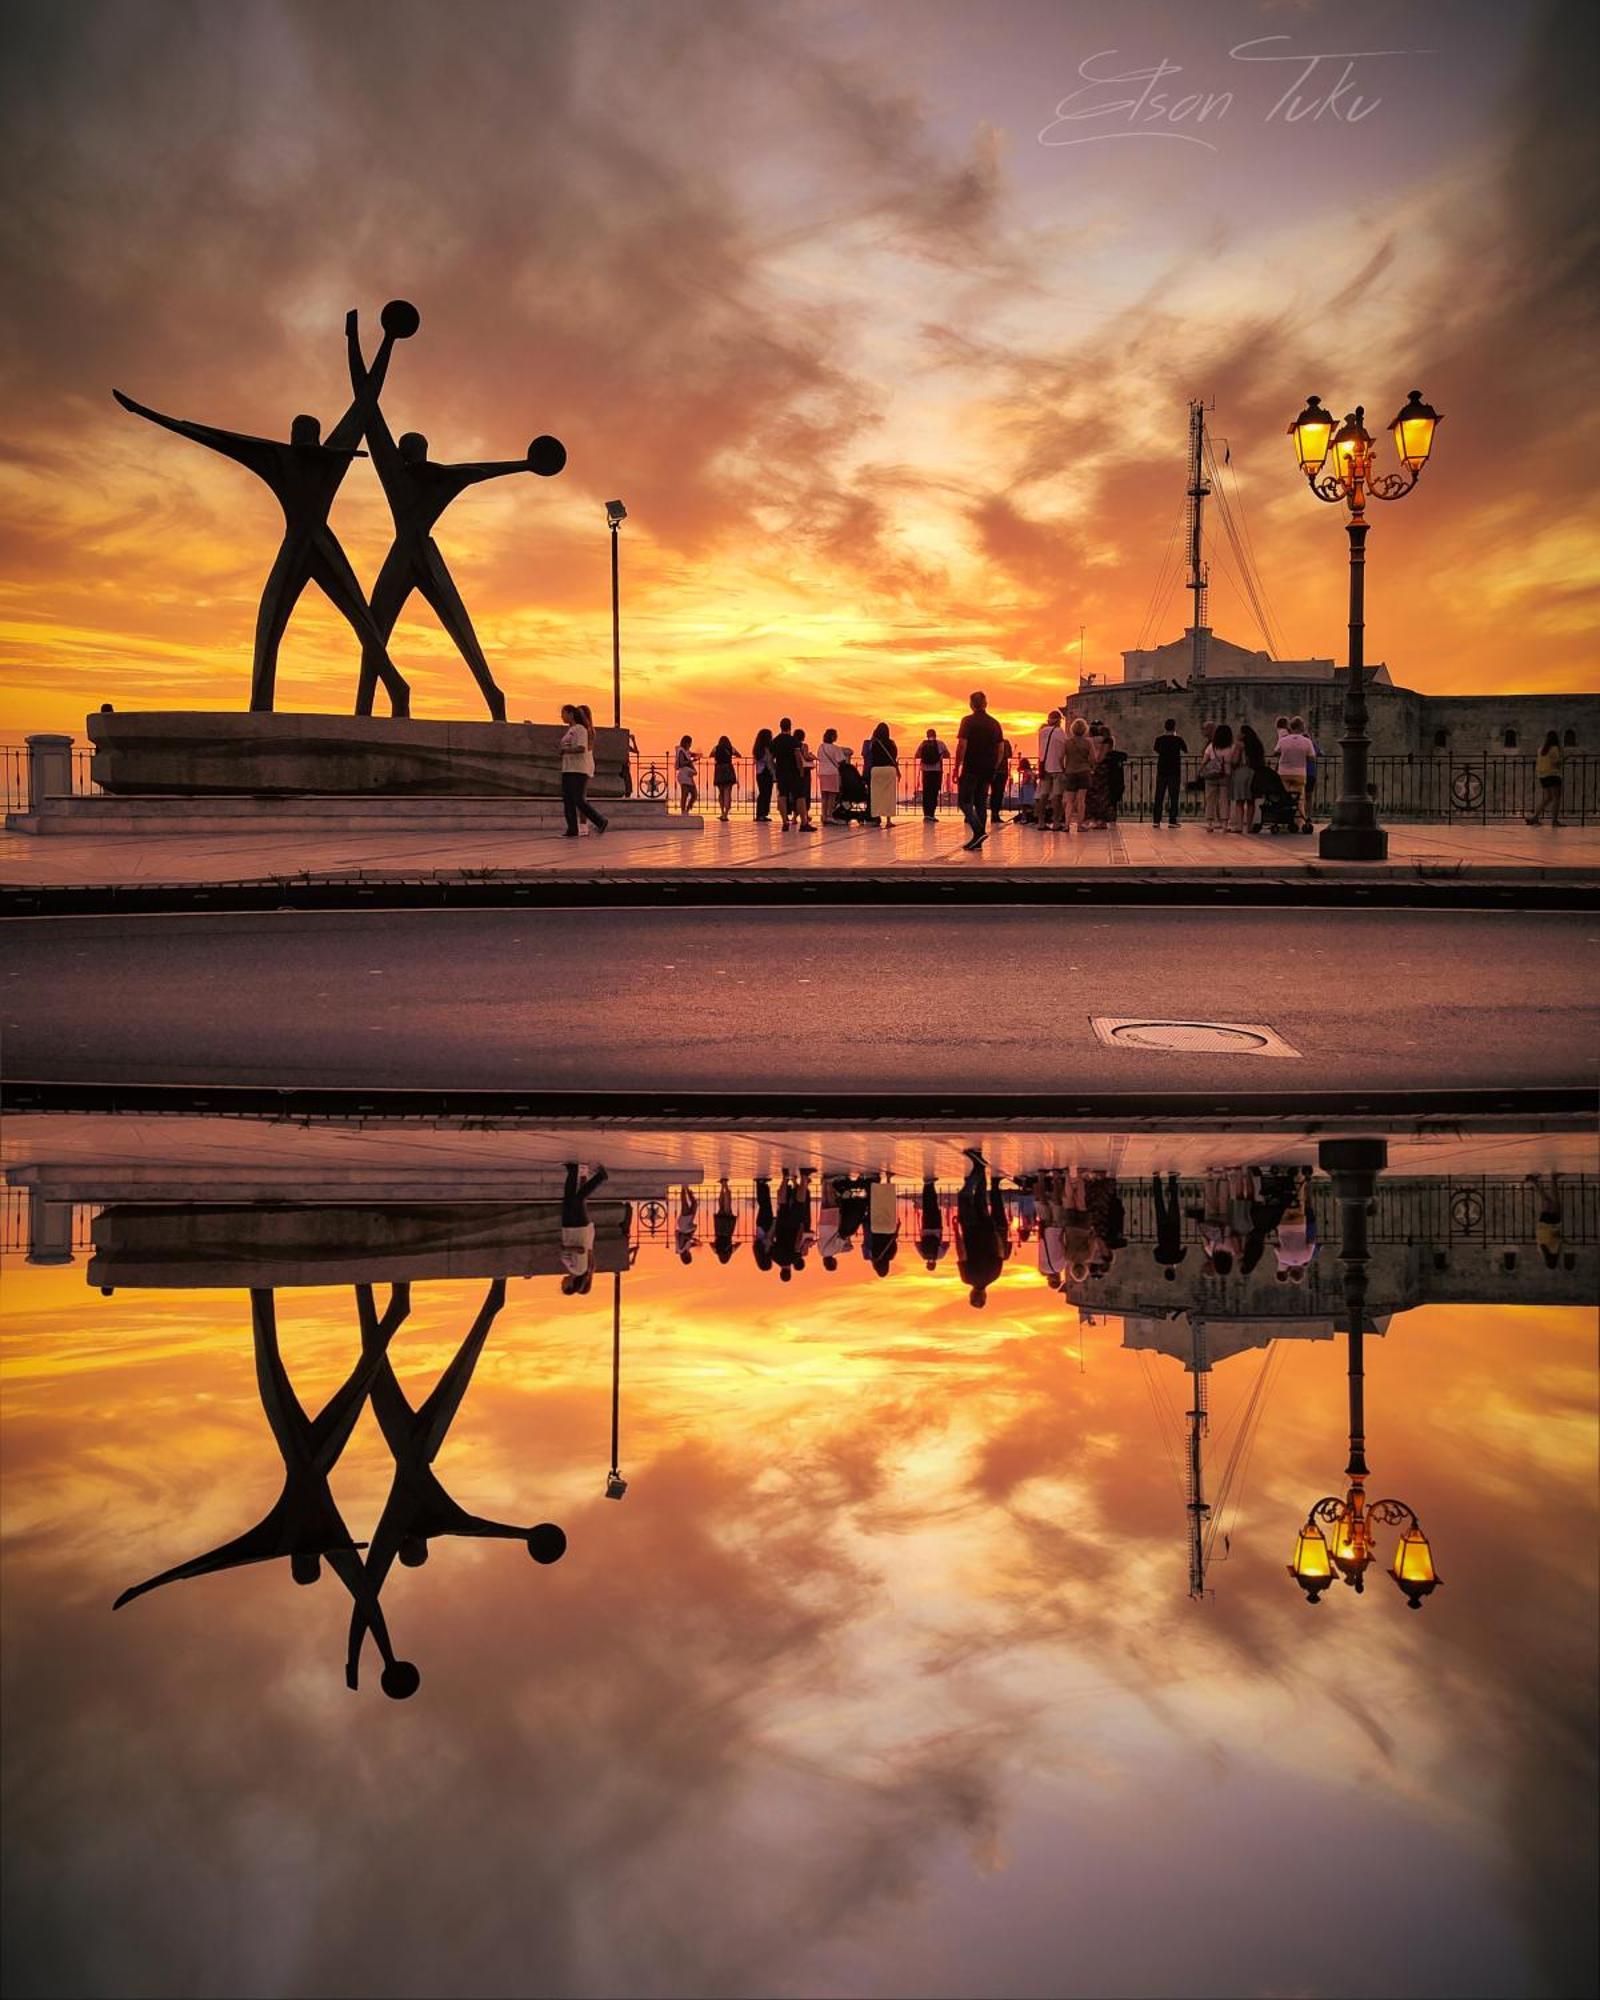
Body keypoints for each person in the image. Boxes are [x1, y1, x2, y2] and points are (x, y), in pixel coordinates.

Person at [954, 692, 1005, 850]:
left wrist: (957, 766)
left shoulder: (967, 721)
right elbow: (1001, 749)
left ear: (971, 704)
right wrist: (994, 766)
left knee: (963, 801)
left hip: (971, 767)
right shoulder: (994, 723)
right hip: (988, 768)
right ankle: (978, 841)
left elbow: (962, 745)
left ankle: (978, 831)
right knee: (981, 802)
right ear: (985, 704)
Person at [559, 703, 608, 837]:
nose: (561, 716)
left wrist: (566, 751)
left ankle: (598, 821)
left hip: (579, 768)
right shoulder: (572, 729)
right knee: (570, 799)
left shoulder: (581, 729)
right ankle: (573, 829)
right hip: (569, 767)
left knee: (578, 799)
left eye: (563, 713)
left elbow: (583, 748)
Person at [560, 1161, 608, 1295]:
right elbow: (581, 1250)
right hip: (577, 1229)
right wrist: (566, 1248)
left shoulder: (574, 1269)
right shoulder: (579, 1270)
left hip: (571, 1230)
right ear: (569, 1285)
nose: (561, 1283)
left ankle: (573, 1171)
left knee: (570, 1199)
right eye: (563, 1286)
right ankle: (600, 1178)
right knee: (577, 1200)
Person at [1274, 715, 1316, 831]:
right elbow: (1312, 758)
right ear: (1302, 727)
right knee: (1300, 799)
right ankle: (1300, 822)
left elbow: (1275, 752)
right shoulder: (1307, 741)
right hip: (1299, 772)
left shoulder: (1283, 740)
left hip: (1283, 773)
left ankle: (1284, 820)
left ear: (1290, 727)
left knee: (1284, 798)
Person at [1059, 716, 1095, 832]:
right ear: (1085, 729)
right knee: (1081, 800)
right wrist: (1090, 766)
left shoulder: (1067, 742)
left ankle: (1066, 825)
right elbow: (1093, 758)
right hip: (1084, 772)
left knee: (1069, 801)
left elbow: (1061, 757)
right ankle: (1080, 825)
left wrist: (1064, 768)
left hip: (1070, 772)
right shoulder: (1088, 742)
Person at [1084, 726, 1125, 827]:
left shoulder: (1102, 742)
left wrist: (1094, 762)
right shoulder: (1108, 741)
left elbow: (1099, 758)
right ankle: (1102, 820)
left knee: (1096, 795)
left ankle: (1097, 819)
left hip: (1100, 771)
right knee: (1102, 796)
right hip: (1106, 771)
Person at [1151, 717, 1188, 828]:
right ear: (1174, 727)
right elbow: (1185, 749)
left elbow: (1156, 749)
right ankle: (1172, 821)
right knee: (1174, 796)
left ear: (1165, 727)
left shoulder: (1159, 739)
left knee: (1159, 795)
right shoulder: (1178, 740)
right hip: (1174, 771)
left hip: (1162, 770)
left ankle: (1156, 820)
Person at [1230, 723, 1266, 834]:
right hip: (1253, 772)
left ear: (1243, 734)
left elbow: (1235, 760)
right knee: (1251, 801)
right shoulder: (1257, 745)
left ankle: (1239, 826)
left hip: (1241, 772)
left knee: (1239, 801)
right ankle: (1249, 826)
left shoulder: (1239, 745)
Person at [1036, 708, 1067, 832]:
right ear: (1059, 721)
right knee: (1056, 796)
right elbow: (1065, 747)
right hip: (1057, 767)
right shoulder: (1060, 732)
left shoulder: (1042, 731)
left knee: (1043, 795)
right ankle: (1056, 822)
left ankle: (1041, 822)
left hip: (1044, 766)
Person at [1152, 1172, 1187, 1280]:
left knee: (1173, 1201)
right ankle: (1156, 1178)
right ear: (1165, 1271)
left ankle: (1172, 1178)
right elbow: (1155, 1250)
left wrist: (1175, 1262)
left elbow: (1185, 1248)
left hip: (1174, 1227)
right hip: (1162, 1228)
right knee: (1159, 1202)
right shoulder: (1160, 1259)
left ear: (1173, 1271)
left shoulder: (1178, 1259)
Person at [866, 722, 900, 827]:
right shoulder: (892, 743)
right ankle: (888, 820)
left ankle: (876, 817)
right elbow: (894, 756)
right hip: (889, 769)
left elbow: (869, 755)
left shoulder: (873, 743)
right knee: (889, 795)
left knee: (876, 795)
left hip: (876, 770)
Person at [1527, 731, 1564, 825]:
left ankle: (1535, 817)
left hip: (1542, 776)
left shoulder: (1541, 749)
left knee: (1548, 798)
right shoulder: (1555, 749)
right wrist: (1563, 760)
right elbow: (1556, 764)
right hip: (1553, 775)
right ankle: (1554, 820)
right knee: (1556, 798)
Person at [771, 715, 801, 830]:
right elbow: (798, 757)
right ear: (790, 726)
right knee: (798, 796)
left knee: (782, 795)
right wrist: (800, 769)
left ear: (780, 726)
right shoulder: (794, 741)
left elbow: (770, 757)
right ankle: (800, 819)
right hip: (793, 772)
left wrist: (774, 769)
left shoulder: (776, 741)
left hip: (781, 772)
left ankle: (784, 820)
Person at [1200, 723, 1230, 832]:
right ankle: (1224, 824)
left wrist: (1202, 769)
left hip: (1211, 776)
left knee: (1210, 799)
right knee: (1224, 800)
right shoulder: (1230, 747)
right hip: (1225, 775)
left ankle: (1210, 823)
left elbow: (1204, 760)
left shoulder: (1211, 746)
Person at [916, 727, 950, 820]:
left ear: (927, 736)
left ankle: (926, 814)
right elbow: (948, 755)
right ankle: (932, 814)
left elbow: (917, 755)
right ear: (935, 735)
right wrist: (940, 755)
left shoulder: (923, 744)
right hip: (936, 771)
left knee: (926, 793)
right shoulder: (940, 743)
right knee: (934, 793)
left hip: (925, 772)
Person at [817, 726, 848, 822]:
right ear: (833, 737)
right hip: (832, 773)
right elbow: (842, 761)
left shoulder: (821, 747)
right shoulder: (836, 748)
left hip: (822, 773)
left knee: (824, 795)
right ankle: (830, 815)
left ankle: (824, 815)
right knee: (832, 795)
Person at [792, 727, 818, 830]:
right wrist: (813, 757)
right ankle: (805, 815)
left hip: (794, 771)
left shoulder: (792, 746)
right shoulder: (803, 746)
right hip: (804, 772)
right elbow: (806, 757)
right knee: (804, 794)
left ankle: (794, 816)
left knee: (796, 794)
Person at [752, 727, 776, 822]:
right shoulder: (767, 749)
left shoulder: (757, 749)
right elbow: (769, 762)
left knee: (763, 793)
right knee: (766, 793)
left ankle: (760, 814)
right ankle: (762, 813)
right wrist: (774, 774)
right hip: (766, 772)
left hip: (759, 773)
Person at [711, 734, 737, 822]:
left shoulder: (716, 748)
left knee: (721, 792)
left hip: (719, 769)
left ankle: (722, 812)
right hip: (728, 769)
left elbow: (711, 755)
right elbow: (738, 755)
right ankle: (726, 813)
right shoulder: (731, 748)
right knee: (727, 792)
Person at [988, 736, 1012, 827]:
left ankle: (982, 814)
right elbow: (1009, 755)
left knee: (985, 793)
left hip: (990, 770)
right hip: (1002, 771)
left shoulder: (989, 743)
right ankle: (995, 815)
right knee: (998, 793)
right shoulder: (1006, 742)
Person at [674, 734, 698, 815]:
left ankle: (687, 809)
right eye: (690, 743)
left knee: (694, 794)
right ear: (686, 743)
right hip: (684, 774)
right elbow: (682, 763)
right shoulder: (681, 751)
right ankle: (683, 811)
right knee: (684, 794)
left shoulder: (686, 751)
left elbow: (690, 754)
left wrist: (696, 755)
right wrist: (692, 761)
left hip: (688, 775)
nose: (690, 745)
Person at [1015, 756, 1038, 823]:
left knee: (1024, 804)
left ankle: (1024, 818)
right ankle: (1034, 817)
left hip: (1026, 788)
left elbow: (1026, 780)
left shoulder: (1026, 772)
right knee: (1032, 803)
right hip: (1031, 788)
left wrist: (1022, 782)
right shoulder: (1031, 772)